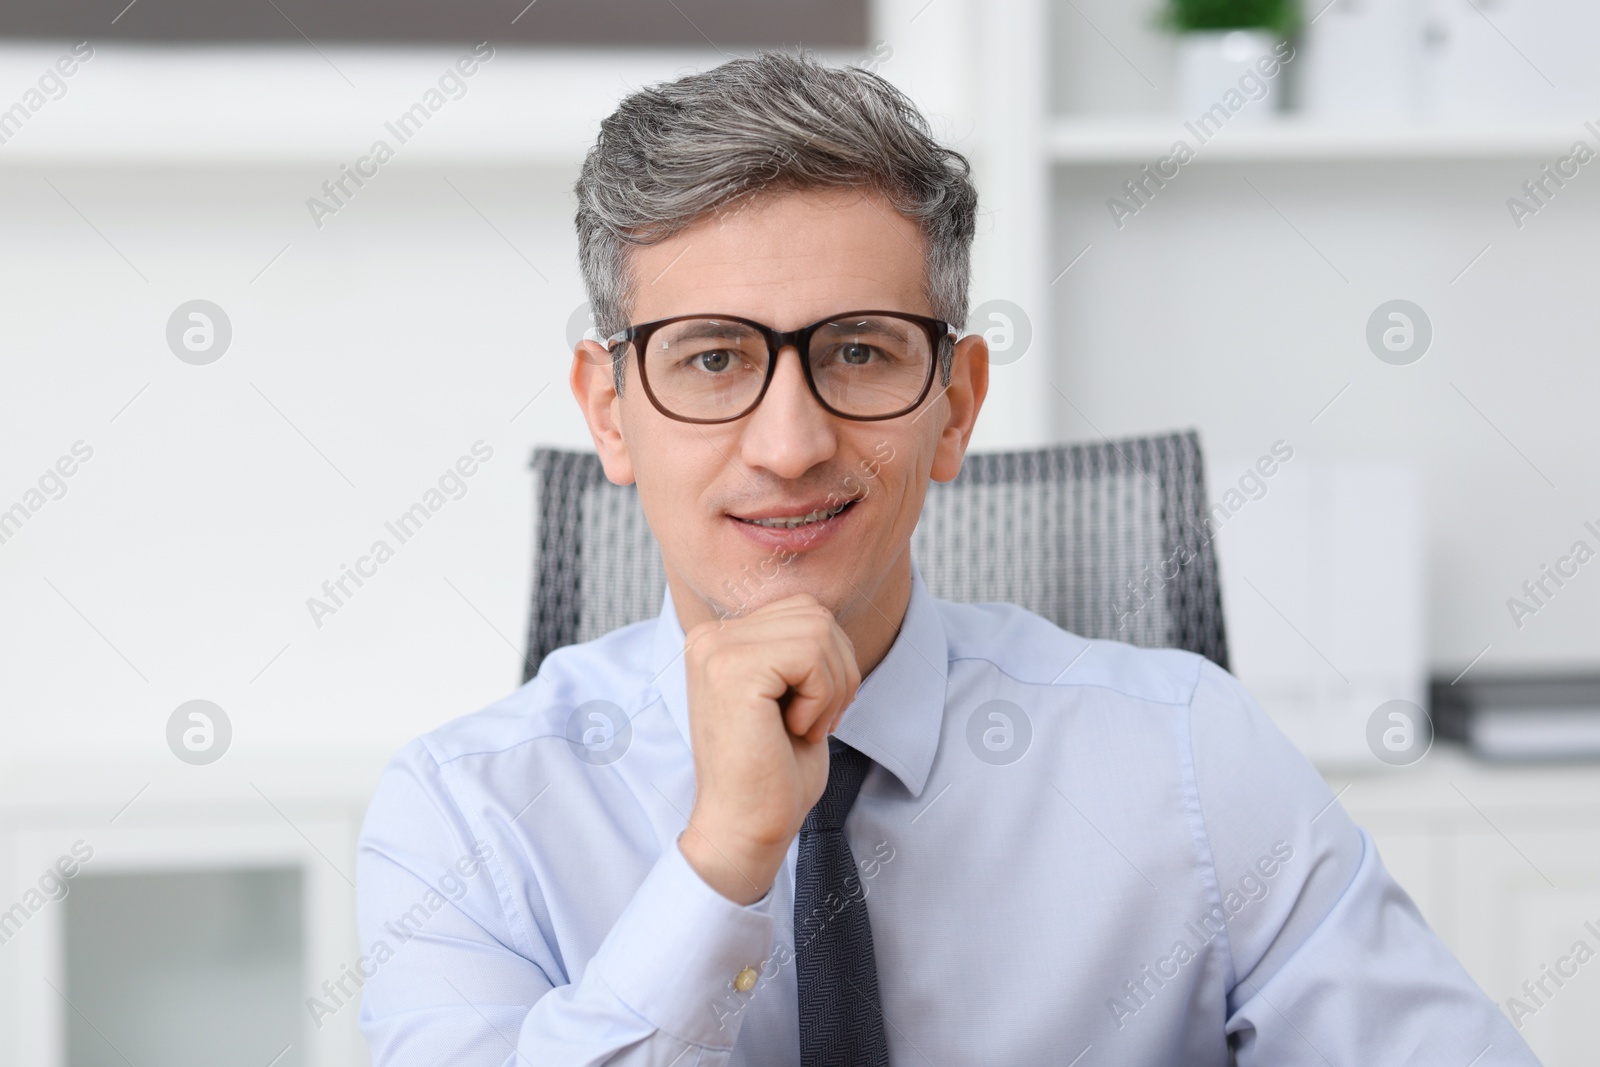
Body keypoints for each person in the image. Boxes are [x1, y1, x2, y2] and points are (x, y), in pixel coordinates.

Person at [355, 50, 1538, 1066]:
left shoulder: (1189, 755)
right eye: (713, 359)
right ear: (611, 414)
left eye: (859, 352)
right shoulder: (464, 816)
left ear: (956, 405)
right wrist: (723, 859)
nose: (790, 443)